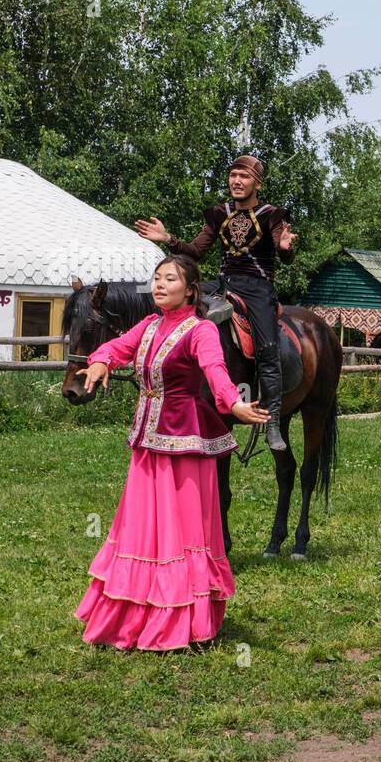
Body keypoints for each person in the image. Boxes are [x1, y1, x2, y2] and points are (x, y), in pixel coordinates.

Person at [73, 255, 270, 651]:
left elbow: (216, 371)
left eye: (170, 278)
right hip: (147, 443)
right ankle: (132, 616)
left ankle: (182, 620)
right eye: (157, 278)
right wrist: (98, 362)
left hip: (183, 446)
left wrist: (234, 404)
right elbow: (117, 346)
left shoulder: (200, 331)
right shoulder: (148, 326)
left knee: (179, 532)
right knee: (141, 530)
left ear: (190, 289)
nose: (160, 284)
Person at [134, 155, 296, 450]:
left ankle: (272, 421)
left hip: (257, 288)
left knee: (267, 349)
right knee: (178, 295)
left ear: (257, 183)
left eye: (244, 176)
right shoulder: (219, 213)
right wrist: (168, 238)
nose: (236, 181)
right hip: (222, 283)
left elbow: (282, 252)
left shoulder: (271, 214)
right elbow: (195, 251)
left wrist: (285, 248)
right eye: (233, 175)